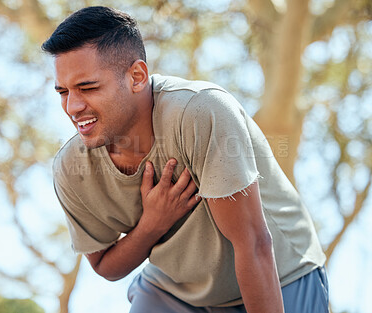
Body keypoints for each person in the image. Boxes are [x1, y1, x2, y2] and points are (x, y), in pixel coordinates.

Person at [42, 6, 329, 313]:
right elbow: (104, 265)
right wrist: (151, 225)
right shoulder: (72, 168)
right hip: (176, 290)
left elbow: (254, 244)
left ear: (137, 76)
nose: (72, 106)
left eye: (88, 88)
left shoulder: (200, 112)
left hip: (280, 274)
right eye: (63, 92)